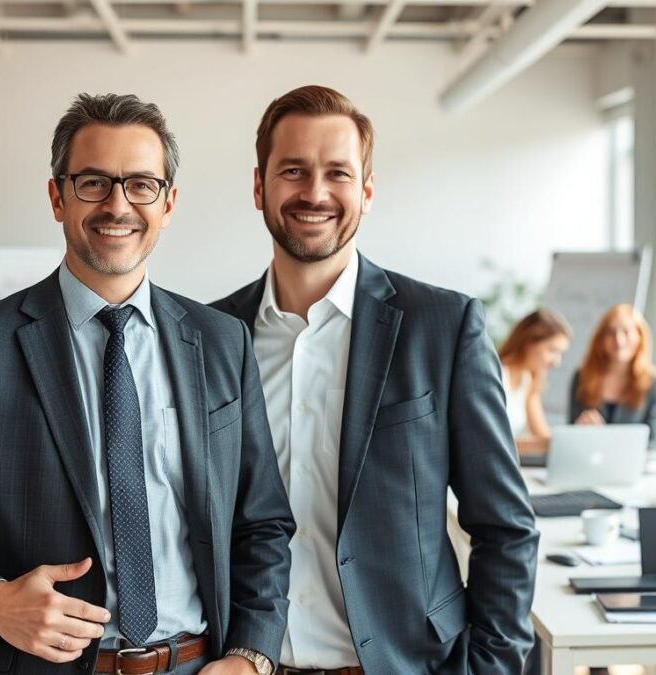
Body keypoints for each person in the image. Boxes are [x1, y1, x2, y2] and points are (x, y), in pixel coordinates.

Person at [0, 94, 294, 675]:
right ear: (57, 196)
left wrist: (250, 657)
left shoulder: (221, 341)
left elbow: (262, 523)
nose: (117, 204)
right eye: (93, 183)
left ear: (168, 202)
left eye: (140, 184)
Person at [212, 85, 539, 674]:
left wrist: (490, 668)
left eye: (337, 173)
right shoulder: (210, 336)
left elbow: (504, 527)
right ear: (259, 186)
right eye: (292, 170)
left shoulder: (442, 326)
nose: (314, 193)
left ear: (365, 192)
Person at [569, 304, 656, 447]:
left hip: (631, 465)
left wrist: (608, 439)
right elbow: (569, 432)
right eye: (611, 333)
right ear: (601, 340)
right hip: (589, 460)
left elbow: (652, 441)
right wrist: (578, 430)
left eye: (626, 332)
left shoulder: (652, 383)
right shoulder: (582, 378)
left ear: (639, 336)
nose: (618, 340)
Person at [497, 309, 572, 454]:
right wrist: (549, 444)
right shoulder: (496, 374)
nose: (556, 362)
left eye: (561, 353)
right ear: (528, 342)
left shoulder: (529, 380)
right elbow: (492, 441)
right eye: (552, 350)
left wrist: (575, 435)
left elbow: (542, 434)